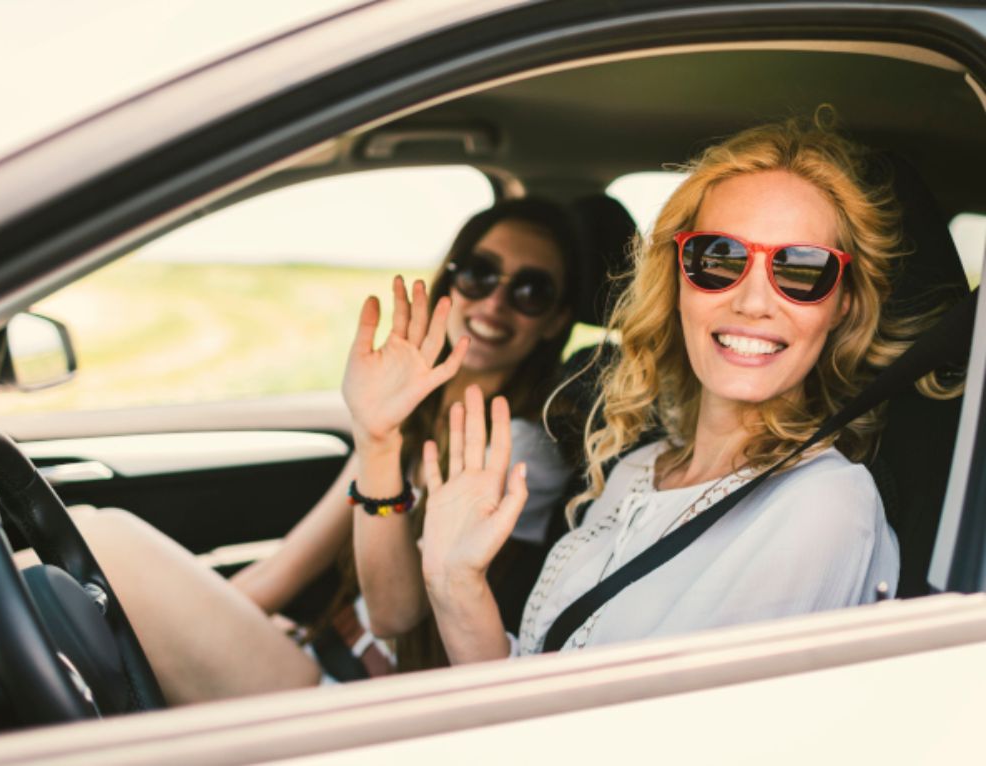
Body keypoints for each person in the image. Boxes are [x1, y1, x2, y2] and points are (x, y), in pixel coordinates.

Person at [396, 115, 958, 664]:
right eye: (719, 259)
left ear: (842, 306)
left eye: (802, 270)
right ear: (678, 279)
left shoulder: (822, 506)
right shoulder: (636, 469)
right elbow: (532, 687)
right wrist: (455, 581)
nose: (753, 302)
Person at [65, 197, 580, 703]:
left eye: (531, 291)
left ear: (556, 321)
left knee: (103, 536)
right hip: (317, 653)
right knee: (86, 557)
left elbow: (395, 615)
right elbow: (288, 567)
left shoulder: (520, 449)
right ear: (453, 279)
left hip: (358, 699)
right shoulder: (414, 411)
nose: (494, 303)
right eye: (480, 274)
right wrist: (198, 624)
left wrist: (378, 442)